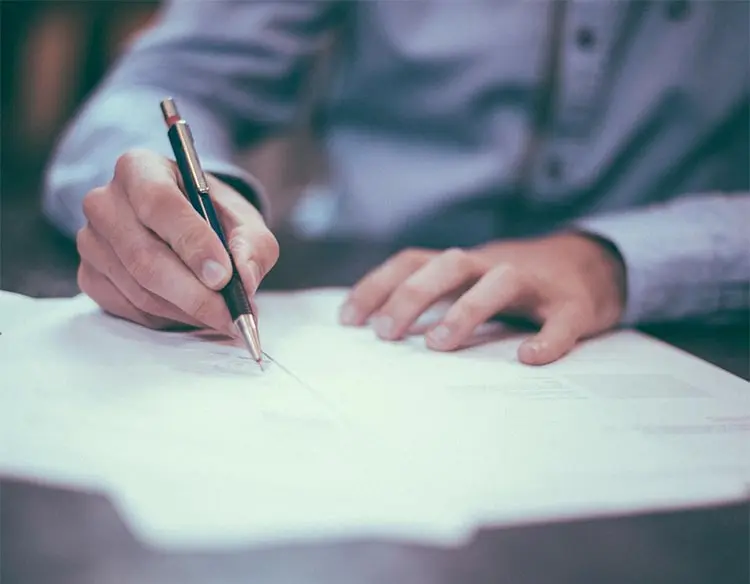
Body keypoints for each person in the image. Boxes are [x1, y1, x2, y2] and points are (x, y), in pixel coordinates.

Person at [42, 1, 749, 365]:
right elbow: (167, 83)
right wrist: (169, 208)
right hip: (358, 299)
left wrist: (616, 260)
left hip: (684, 329)